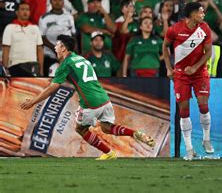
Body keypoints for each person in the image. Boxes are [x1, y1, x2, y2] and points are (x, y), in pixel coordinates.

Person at [20, 35, 155, 160]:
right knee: (106, 128)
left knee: (81, 129)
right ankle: (135, 133)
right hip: (104, 98)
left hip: (90, 102)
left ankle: (109, 153)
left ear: (63, 48)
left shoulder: (65, 65)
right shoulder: (82, 59)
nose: (55, 48)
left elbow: (52, 88)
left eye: (57, 45)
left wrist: (33, 101)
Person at [162, 2, 214, 160]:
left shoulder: (204, 28)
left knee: (203, 105)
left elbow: (209, 52)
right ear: (192, 14)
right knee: (183, 110)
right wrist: (169, 68)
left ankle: (206, 139)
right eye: (200, 12)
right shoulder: (175, 30)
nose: (203, 15)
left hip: (200, 73)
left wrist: (196, 67)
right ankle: (189, 149)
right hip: (181, 75)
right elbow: (165, 47)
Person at [2, 2, 44, 77]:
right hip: (15, 65)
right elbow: (6, 49)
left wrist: (41, 70)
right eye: (22, 9)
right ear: (17, 12)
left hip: (33, 65)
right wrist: (6, 69)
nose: (25, 12)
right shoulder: (10, 27)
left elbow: (40, 49)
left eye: (27, 9)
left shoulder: (35, 28)